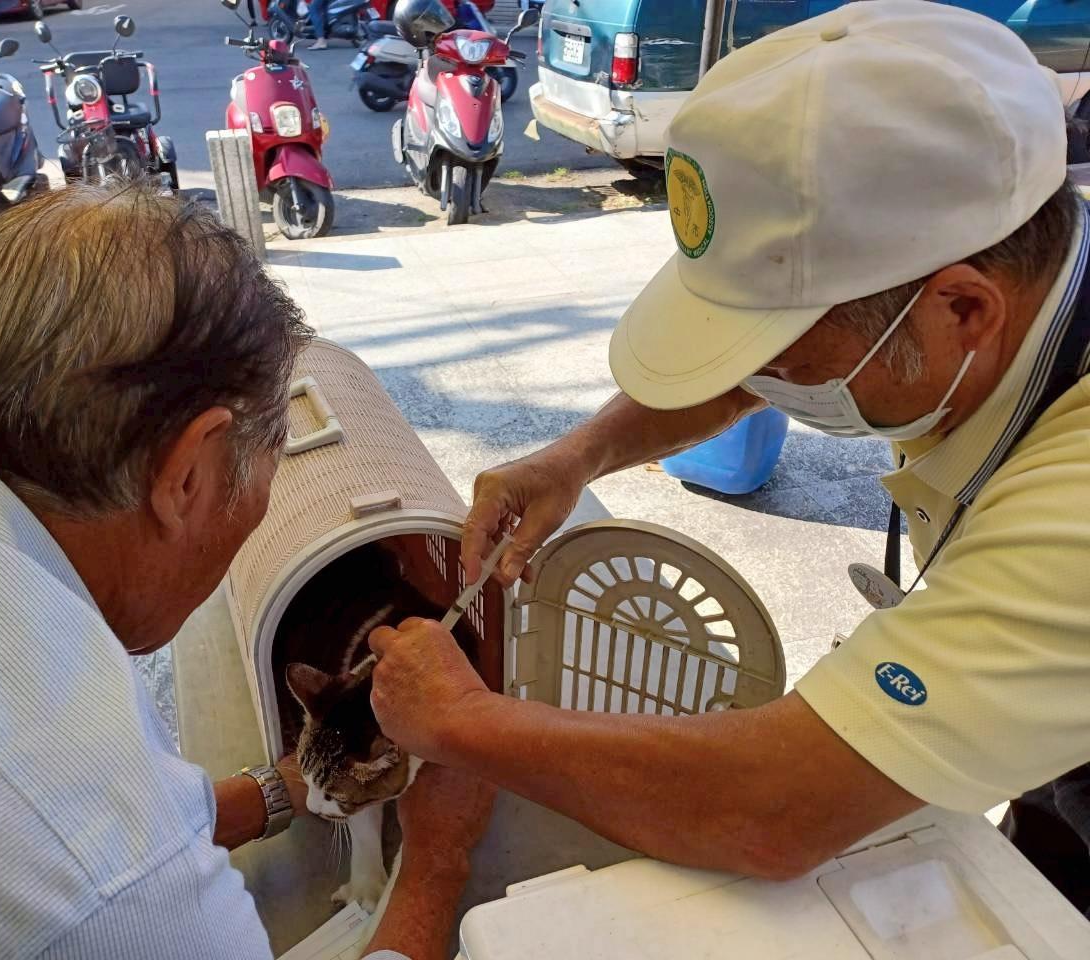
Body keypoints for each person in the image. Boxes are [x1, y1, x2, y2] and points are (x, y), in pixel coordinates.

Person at [367, 0, 1090, 915]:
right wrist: (578, 458)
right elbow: (794, 350)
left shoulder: (1075, 516)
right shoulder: (996, 290)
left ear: (963, 310)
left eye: (779, 355)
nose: (759, 381)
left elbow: (774, 810)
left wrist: (460, 722)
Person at [0, 182, 494, 958]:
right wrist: (438, 858)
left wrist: (273, 794)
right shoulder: (103, 868)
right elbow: (107, 864)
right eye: (268, 478)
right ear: (188, 475)